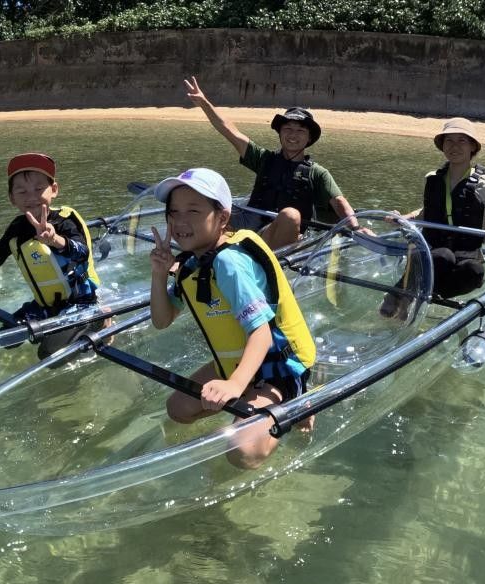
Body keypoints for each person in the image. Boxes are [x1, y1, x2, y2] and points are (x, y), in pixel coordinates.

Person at [149, 167, 316, 469]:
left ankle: (295, 405)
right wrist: (160, 275)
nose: (180, 221)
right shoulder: (192, 264)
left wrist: (235, 386)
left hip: (276, 368)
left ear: (222, 218)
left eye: (193, 211)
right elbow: (162, 320)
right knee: (178, 409)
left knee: (241, 453)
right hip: (238, 365)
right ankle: (251, 409)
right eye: (174, 212)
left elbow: (262, 333)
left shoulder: (229, 263)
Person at [0, 152, 104, 357]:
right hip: (46, 304)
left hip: (80, 303)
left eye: (39, 189)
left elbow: (82, 252)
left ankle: (101, 320)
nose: (31, 197)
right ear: (12, 198)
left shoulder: (65, 220)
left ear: (54, 190)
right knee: (8, 338)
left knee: (48, 355)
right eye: (21, 192)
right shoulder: (17, 228)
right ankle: (63, 327)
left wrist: (54, 240)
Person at [184, 76, 363, 249]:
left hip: (283, 233)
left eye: (300, 130)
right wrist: (204, 103)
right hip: (248, 223)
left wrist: (356, 228)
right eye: (288, 129)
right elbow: (231, 132)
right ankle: (188, 258)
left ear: (309, 138)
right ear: (280, 133)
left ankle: (252, 258)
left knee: (290, 216)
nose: (293, 135)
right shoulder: (263, 159)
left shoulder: (318, 173)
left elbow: (339, 202)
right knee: (202, 198)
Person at [380, 118, 485, 318]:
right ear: (442, 145)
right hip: (432, 253)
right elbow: (425, 213)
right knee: (443, 255)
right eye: (449, 141)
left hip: (465, 258)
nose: (454, 146)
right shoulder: (432, 179)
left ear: (473, 146)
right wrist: (403, 217)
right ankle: (406, 295)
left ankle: (414, 295)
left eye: (461, 141)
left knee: (474, 271)